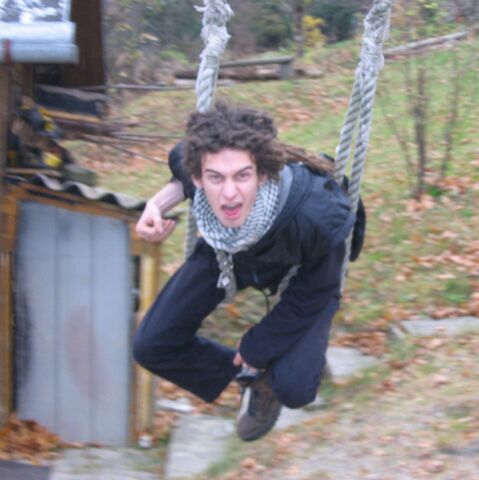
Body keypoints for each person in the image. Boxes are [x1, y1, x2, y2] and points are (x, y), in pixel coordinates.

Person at [133, 102, 364, 441]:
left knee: (295, 387)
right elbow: (183, 178)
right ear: (199, 177)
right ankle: (253, 379)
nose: (229, 194)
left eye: (242, 176)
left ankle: (267, 374)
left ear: (263, 174)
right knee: (152, 345)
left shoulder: (315, 217)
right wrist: (155, 206)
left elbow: (318, 290)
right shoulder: (199, 160)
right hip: (228, 251)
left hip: (301, 267)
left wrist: (258, 345)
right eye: (215, 178)